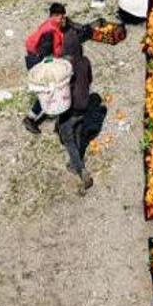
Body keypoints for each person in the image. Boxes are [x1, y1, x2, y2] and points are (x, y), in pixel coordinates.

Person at [54, 29, 94, 195]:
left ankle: (80, 170)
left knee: (67, 138)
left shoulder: (65, 66)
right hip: (84, 105)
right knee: (77, 131)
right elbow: (90, 79)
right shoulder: (85, 61)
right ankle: (76, 159)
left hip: (70, 108)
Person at [23, 3, 68, 132]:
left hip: (35, 56)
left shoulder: (49, 24)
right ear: (55, 16)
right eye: (61, 17)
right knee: (47, 91)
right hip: (38, 60)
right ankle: (30, 118)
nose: (63, 19)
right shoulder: (49, 32)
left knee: (48, 90)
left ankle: (50, 113)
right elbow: (45, 54)